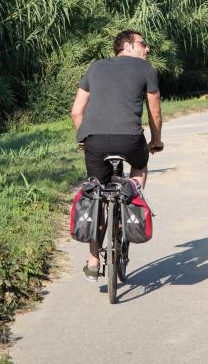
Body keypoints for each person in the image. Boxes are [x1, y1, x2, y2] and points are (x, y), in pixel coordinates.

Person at [71, 30, 163, 282]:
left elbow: (76, 111)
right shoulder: (146, 70)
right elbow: (154, 113)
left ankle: (92, 260)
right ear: (126, 46)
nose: (147, 49)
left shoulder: (95, 67)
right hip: (130, 139)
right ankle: (131, 197)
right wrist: (155, 140)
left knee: (94, 192)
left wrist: (83, 138)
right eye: (143, 44)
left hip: (94, 140)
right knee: (140, 166)